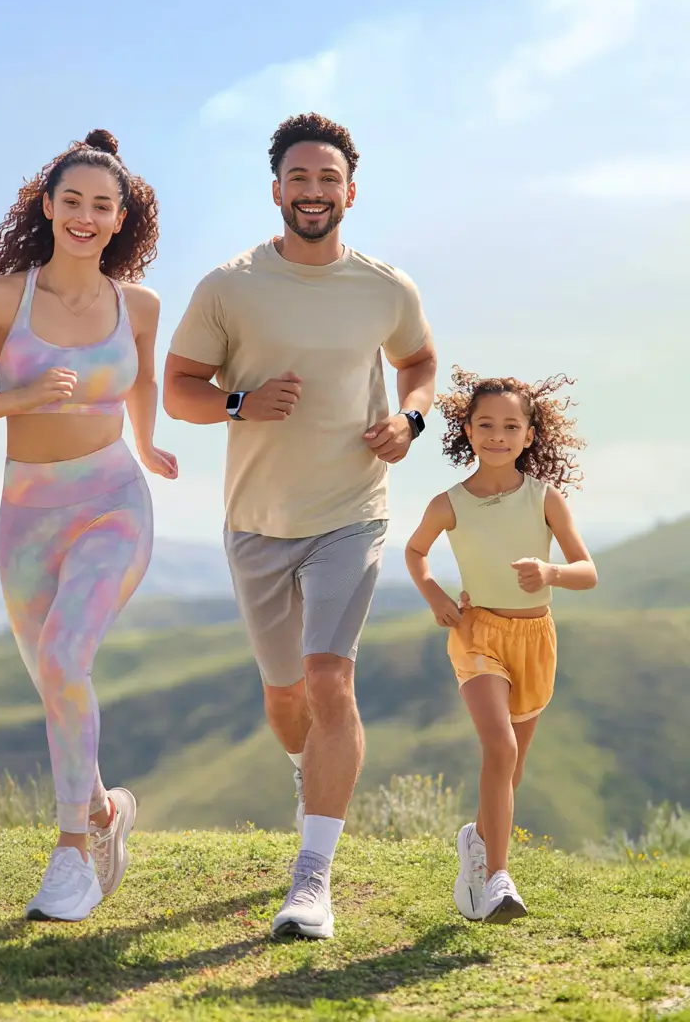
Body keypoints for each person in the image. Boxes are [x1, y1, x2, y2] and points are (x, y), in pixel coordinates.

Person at [163, 112, 437, 940]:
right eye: (299, 179)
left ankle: (311, 879)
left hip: (352, 512)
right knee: (287, 698)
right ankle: (304, 771)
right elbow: (178, 389)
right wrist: (241, 401)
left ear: (350, 192)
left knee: (328, 681)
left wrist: (413, 422)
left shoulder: (386, 287)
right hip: (256, 522)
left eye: (328, 180)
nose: (314, 193)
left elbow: (418, 364)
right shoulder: (228, 285)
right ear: (276, 189)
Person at [0, 128, 177, 923]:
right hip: (26, 514)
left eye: (104, 206)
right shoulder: (5, 296)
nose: (87, 217)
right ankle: (104, 814)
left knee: (67, 656)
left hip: (113, 502)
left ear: (121, 217)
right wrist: (18, 401)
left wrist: (146, 439)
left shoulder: (138, 302)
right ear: (47, 204)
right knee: (54, 683)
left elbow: (142, 379)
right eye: (73, 201)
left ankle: (70, 854)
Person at [404, 367, 597, 923]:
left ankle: (478, 842)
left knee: (512, 768)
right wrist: (434, 594)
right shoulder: (449, 502)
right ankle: (497, 881)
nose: (497, 435)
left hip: (536, 639)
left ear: (529, 435)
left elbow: (587, 570)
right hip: (477, 633)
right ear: (466, 428)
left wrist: (550, 572)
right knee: (501, 750)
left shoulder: (544, 498)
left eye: (510, 426)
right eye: (485, 423)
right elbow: (415, 553)